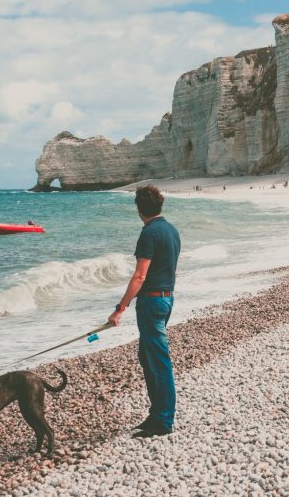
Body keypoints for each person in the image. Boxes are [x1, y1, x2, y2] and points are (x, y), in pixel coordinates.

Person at [107, 185, 181, 438]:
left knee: (158, 362)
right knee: (148, 358)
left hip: (151, 303)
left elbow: (140, 276)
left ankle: (163, 420)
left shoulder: (149, 233)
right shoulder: (171, 230)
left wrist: (120, 308)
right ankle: (156, 413)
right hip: (166, 299)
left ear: (139, 209)